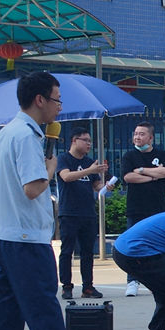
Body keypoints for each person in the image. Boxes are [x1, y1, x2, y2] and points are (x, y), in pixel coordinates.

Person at [0, 71, 109, 330]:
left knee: (3, 313)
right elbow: (34, 187)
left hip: (6, 234)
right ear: (40, 100)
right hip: (26, 239)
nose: (59, 107)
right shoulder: (25, 136)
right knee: (44, 312)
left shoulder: (7, 133)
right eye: (57, 99)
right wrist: (50, 167)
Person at [56, 126, 113, 299]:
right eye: (85, 140)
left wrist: (106, 186)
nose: (89, 144)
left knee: (88, 252)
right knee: (67, 251)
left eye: (90, 141)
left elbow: (96, 186)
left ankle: (88, 287)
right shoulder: (63, 159)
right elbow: (66, 177)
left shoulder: (90, 162)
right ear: (74, 140)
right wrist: (90, 170)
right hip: (69, 212)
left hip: (87, 213)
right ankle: (67, 286)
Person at [121, 121, 165, 296]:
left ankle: (159, 279)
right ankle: (132, 280)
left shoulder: (162, 154)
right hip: (136, 208)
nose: (137, 137)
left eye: (141, 134)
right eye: (135, 133)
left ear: (151, 137)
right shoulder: (129, 156)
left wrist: (142, 170)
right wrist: (152, 176)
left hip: (157, 208)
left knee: (158, 244)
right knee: (133, 245)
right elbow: (129, 177)